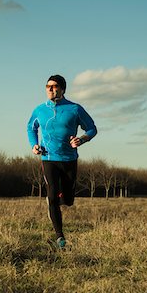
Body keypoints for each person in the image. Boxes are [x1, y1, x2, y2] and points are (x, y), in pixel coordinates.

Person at [27, 74, 97, 249]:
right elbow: (31, 127)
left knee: (68, 199)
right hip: (48, 158)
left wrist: (82, 139)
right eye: (48, 86)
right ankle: (60, 237)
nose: (50, 89)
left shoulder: (74, 109)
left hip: (69, 159)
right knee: (51, 196)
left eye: (54, 86)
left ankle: (61, 198)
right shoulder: (39, 110)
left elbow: (92, 128)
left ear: (63, 89)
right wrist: (34, 145)